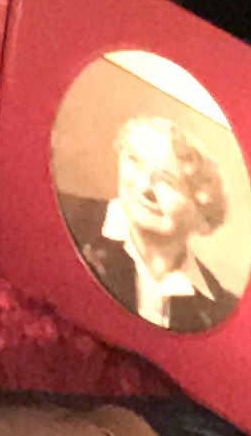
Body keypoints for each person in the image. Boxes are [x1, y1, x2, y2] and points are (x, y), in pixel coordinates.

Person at [65, 114, 240, 334]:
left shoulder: (218, 310)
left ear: (201, 210)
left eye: (166, 180)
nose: (143, 187)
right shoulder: (69, 218)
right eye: (134, 161)